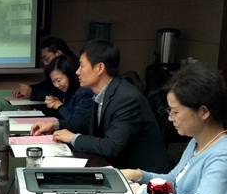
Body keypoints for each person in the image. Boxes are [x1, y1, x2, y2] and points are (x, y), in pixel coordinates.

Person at [122, 62, 227, 194]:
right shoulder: (196, 141)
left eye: (175, 111)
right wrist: (139, 175)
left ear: (203, 111)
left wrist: (142, 193)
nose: (170, 118)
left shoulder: (222, 154)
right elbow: (174, 181)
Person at [31, 39, 170, 172]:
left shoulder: (127, 98)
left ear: (99, 68)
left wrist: (73, 138)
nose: (77, 71)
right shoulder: (103, 91)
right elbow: (87, 122)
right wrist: (55, 125)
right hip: (115, 166)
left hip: (143, 177)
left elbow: (111, 146)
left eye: (82, 66)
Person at [12, 37, 77, 101]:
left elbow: (60, 96)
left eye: (46, 58)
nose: (45, 63)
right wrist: (29, 89)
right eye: (53, 81)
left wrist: (33, 93)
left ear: (58, 54)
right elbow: (48, 85)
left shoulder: (74, 69)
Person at [43, 55, 94, 119]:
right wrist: (53, 102)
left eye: (58, 80)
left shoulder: (84, 92)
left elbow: (76, 122)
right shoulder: (63, 90)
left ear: (69, 75)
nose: (56, 85)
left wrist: (59, 106)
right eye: (53, 81)